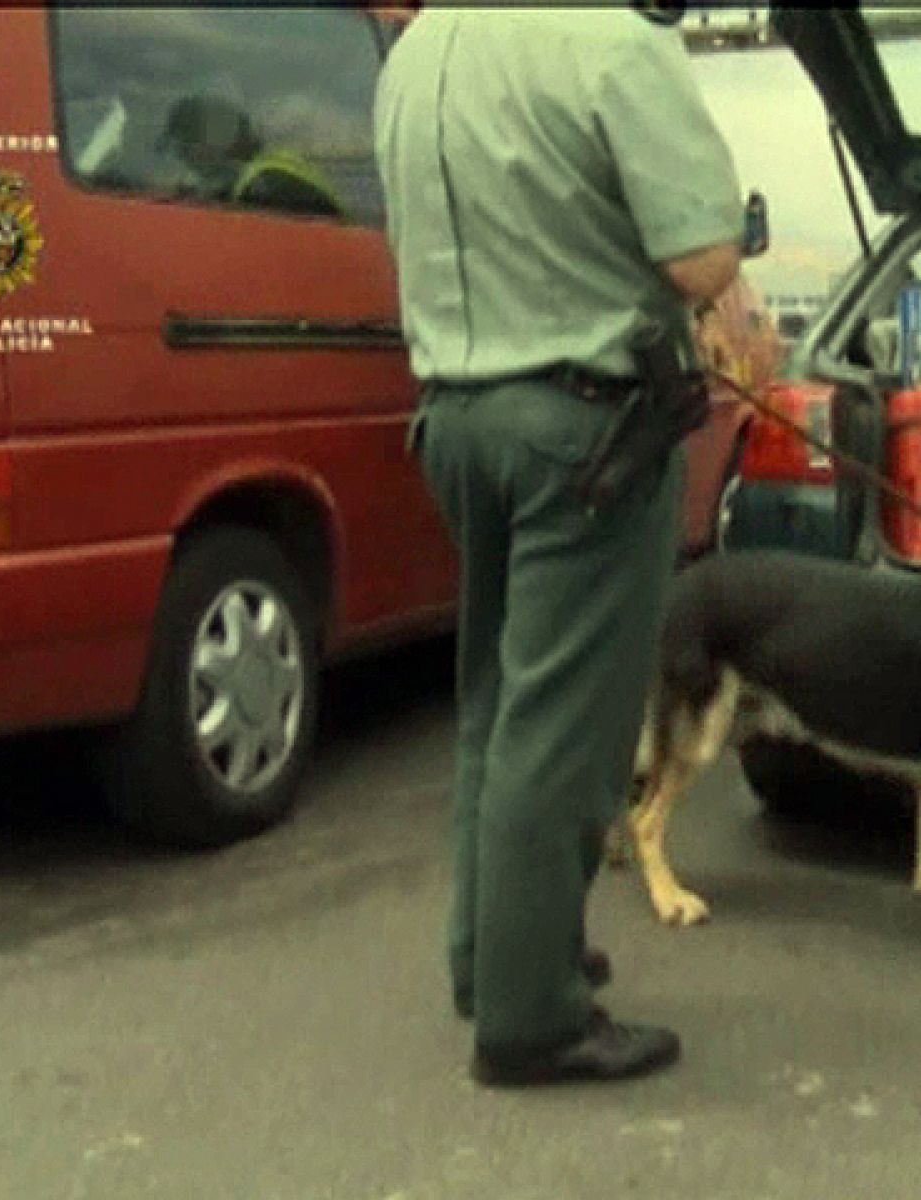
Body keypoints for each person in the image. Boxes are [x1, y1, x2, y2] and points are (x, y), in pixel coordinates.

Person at [375, 6, 743, 1086]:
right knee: (568, 729)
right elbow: (700, 257)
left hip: (455, 419)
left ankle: (490, 958)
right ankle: (532, 1017)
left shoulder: (421, 51)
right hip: (585, 434)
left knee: (498, 701)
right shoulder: (611, 43)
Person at [158, 95, 343, 219]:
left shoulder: (269, 187)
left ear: (213, 140)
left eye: (185, 147)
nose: (184, 159)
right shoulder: (265, 170)